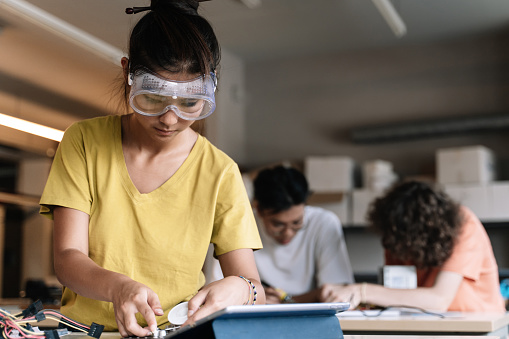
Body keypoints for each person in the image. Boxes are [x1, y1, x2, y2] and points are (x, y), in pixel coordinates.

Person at [39, 1, 265, 337]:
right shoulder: (84, 141)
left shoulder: (220, 172)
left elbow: (254, 287)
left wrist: (241, 289)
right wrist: (118, 288)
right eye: (153, 99)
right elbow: (68, 258)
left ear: (211, 87)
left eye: (190, 102)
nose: (170, 119)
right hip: (89, 332)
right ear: (129, 73)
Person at [320, 180, 505, 313]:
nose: (393, 247)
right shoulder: (395, 235)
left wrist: (361, 290)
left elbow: (439, 299)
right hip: (425, 321)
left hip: (476, 323)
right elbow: (395, 294)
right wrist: (346, 294)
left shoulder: (463, 224)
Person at [252, 165, 354, 303]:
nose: (288, 233)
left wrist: (287, 301)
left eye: (297, 222)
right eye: (278, 224)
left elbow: (338, 291)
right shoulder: (243, 226)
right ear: (258, 209)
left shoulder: (323, 223)